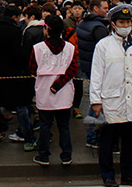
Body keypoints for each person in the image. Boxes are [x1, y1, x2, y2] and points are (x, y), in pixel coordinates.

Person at [90, 4, 132, 187]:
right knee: (107, 143)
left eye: (128, 22)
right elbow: (96, 75)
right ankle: (108, 176)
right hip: (110, 102)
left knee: (129, 142)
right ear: (113, 24)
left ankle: (129, 174)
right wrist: (96, 101)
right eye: (121, 22)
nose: (125, 25)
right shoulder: (103, 46)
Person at [0, 5, 35, 151]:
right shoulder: (15, 32)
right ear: (14, 17)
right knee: (21, 107)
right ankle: (28, 139)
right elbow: (18, 55)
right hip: (13, 74)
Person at [30, 14, 78, 166]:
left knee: (45, 125)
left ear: (47, 30)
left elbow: (32, 68)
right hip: (64, 93)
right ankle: (66, 155)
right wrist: (59, 82)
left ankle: (44, 155)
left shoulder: (38, 49)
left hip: (45, 92)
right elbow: (73, 68)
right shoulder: (70, 48)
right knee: (64, 126)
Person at [76, 0, 110, 149]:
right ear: (96, 8)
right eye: (105, 8)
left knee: (94, 100)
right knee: (96, 103)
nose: (107, 10)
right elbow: (105, 52)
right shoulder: (98, 27)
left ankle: (93, 135)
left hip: (87, 66)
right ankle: (92, 136)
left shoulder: (84, 22)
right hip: (98, 69)